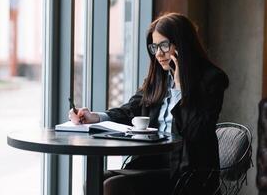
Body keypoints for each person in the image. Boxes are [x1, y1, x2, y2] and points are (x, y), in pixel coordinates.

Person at [69, 12, 229, 195]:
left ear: (182, 45)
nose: (159, 54)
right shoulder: (158, 78)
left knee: (113, 187)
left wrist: (179, 89)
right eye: (154, 47)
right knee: (93, 183)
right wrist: (95, 117)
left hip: (187, 171)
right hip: (152, 161)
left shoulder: (212, 80)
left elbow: (196, 131)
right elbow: (131, 110)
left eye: (164, 45)